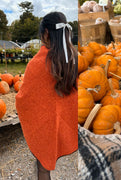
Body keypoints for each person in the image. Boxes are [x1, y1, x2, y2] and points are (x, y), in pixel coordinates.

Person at [15, 12, 77, 180]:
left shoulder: (36, 64)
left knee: (42, 167)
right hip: (62, 122)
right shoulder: (73, 59)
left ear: (46, 34)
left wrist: (19, 96)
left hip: (44, 126)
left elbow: (24, 99)